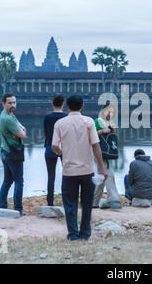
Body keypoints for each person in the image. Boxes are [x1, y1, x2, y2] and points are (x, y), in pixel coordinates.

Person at [52, 95, 107, 241]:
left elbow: (54, 146)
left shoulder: (60, 123)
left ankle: (73, 234)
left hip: (69, 170)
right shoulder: (89, 122)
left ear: (67, 107)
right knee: (87, 203)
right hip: (87, 170)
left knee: (70, 204)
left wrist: (62, 153)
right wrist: (101, 168)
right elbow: (96, 145)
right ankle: (85, 233)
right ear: (82, 106)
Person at [0, 94, 27, 216]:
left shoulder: (8, 114)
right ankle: (18, 209)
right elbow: (23, 134)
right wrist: (20, 131)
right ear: (3, 103)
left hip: (5, 151)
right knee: (19, 181)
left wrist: (20, 130)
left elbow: (21, 128)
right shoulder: (8, 118)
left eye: (14, 102)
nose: (13, 105)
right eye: (10, 103)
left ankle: (2, 205)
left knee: (8, 180)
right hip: (13, 153)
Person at [92, 102, 122, 208]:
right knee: (109, 174)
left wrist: (112, 130)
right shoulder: (97, 121)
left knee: (102, 175)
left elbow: (113, 137)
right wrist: (101, 131)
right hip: (99, 151)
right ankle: (113, 199)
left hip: (107, 152)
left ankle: (94, 202)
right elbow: (91, 136)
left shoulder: (110, 123)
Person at [43, 95, 67, 206]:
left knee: (50, 176)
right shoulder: (66, 117)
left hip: (50, 146)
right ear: (63, 103)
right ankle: (66, 198)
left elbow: (46, 133)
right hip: (64, 148)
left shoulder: (47, 117)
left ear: (53, 103)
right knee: (66, 174)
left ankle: (50, 201)